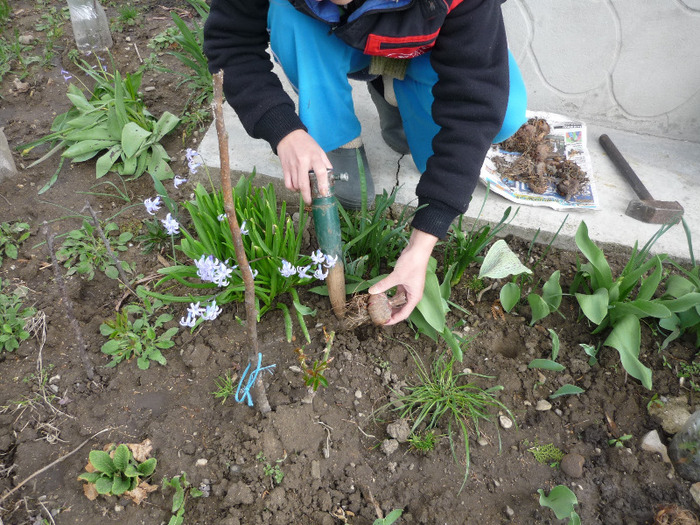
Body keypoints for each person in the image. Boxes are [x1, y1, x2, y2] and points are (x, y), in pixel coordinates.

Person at [203, 0, 527, 325]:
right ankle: (335, 134)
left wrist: (422, 242)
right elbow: (230, 43)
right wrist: (284, 130)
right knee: (289, 16)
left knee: (502, 117)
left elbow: (475, 105)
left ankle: (395, 89)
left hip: (425, 42)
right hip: (336, 38)